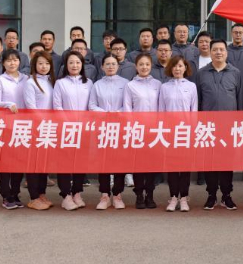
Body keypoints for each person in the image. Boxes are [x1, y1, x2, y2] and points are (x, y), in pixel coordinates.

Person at [195, 39, 243, 210]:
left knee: (226, 162)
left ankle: (226, 195)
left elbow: (239, 98)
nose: (218, 52)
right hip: (208, 127)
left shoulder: (236, 73)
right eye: (215, 49)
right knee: (209, 161)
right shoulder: (201, 73)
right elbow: (198, 100)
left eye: (221, 49)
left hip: (228, 127)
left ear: (226, 52)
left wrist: (239, 124)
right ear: (210, 52)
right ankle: (211, 195)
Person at [52, 51, 92, 211]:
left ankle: (77, 193)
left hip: (84, 129)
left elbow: (91, 105)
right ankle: (66, 195)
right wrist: (68, 124)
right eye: (71, 62)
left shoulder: (88, 83)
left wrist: (84, 124)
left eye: (77, 62)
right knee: (65, 163)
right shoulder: (60, 83)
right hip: (65, 129)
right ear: (66, 65)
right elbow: (57, 106)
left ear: (82, 65)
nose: (74, 65)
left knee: (80, 163)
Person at [88, 56, 130, 209]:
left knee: (120, 161)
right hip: (103, 127)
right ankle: (104, 194)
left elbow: (128, 104)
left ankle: (117, 194)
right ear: (102, 67)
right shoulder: (97, 85)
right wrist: (106, 114)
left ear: (118, 66)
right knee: (103, 161)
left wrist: (117, 113)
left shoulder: (125, 84)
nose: (110, 66)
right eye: (107, 64)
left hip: (120, 127)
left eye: (113, 64)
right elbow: (92, 105)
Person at [158, 56, 198, 212]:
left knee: (185, 166)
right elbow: (161, 110)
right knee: (172, 166)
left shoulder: (191, 86)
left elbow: (194, 110)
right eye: (174, 66)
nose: (177, 69)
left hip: (185, 132)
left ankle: (184, 197)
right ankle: (173, 196)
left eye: (180, 66)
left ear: (185, 68)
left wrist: (193, 131)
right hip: (169, 132)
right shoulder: (164, 87)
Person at [123, 54, 162, 209]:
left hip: (154, 131)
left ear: (151, 66)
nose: (144, 67)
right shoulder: (130, 85)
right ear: (136, 66)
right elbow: (127, 108)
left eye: (147, 64)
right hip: (137, 130)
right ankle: (139, 195)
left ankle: (150, 195)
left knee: (151, 165)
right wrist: (131, 129)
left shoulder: (158, 84)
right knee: (138, 165)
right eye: (141, 64)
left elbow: (161, 107)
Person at [0, 49, 28, 209]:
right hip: (5, 125)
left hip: (23, 126)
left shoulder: (26, 79)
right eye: (8, 60)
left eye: (15, 60)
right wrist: (8, 104)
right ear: (3, 63)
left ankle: (15, 193)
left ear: (19, 62)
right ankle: (6, 195)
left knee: (19, 162)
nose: (12, 63)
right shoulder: (0, 80)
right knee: (5, 162)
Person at [20, 51, 57, 210]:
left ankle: (42, 194)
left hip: (48, 129)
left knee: (43, 164)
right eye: (40, 63)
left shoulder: (51, 81)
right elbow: (31, 107)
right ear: (34, 65)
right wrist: (43, 122)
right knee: (33, 164)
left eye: (47, 63)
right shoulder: (30, 83)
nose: (44, 67)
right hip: (36, 128)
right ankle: (33, 197)